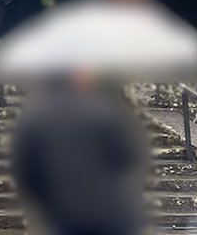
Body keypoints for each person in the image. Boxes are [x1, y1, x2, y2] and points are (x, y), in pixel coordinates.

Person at [10, 71, 146, 235]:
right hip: (110, 211)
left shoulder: (34, 118)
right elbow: (128, 156)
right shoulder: (100, 110)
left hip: (65, 213)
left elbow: (26, 171)